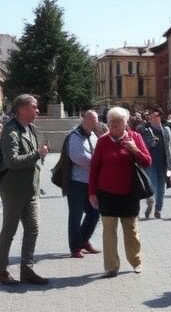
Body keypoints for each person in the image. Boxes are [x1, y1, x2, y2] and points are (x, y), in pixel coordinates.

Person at [0, 94, 50, 285]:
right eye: (34, 107)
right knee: (9, 231)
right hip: (13, 190)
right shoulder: (10, 131)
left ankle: (27, 269)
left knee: (33, 229)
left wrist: (39, 155)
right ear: (22, 109)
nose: (37, 110)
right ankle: (1, 271)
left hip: (31, 189)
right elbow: (12, 161)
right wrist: (37, 154)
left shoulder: (31, 128)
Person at [88, 107, 151, 277]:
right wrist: (92, 192)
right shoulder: (102, 141)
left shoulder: (135, 137)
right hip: (106, 193)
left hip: (129, 193)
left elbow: (147, 161)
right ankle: (111, 266)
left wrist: (134, 149)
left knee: (131, 230)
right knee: (109, 231)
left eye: (118, 121)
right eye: (111, 122)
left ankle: (136, 261)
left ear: (126, 123)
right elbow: (94, 168)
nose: (114, 125)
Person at [66, 110, 101, 258]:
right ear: (84, 119)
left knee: (94, 212)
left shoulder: (93, 135)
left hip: (91, 182)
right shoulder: (74, 136)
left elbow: (98, 152)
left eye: (96, 120)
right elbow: (77, 157)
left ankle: (84, 240)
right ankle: (75, 247)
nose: (95, 123)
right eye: (92, 120)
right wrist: (97, 162)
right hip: (76, 182)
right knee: (76, 215)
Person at [138, 107, 171, 219]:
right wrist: (151, 143)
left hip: (164, 162)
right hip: (151, 163)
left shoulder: (166, 130)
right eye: (151, 116)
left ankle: (158, 209)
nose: (152, 118)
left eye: (155, 116)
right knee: (153, 184)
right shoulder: (145, 130)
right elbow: (142, 145)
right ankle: (151, 201)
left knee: (162, 186)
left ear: (160, 117)